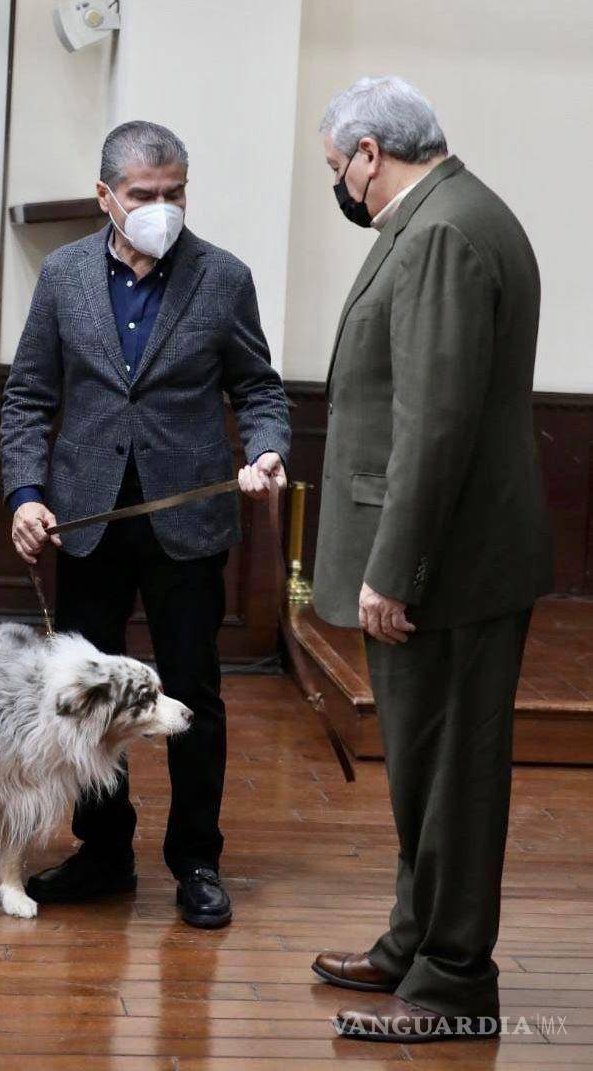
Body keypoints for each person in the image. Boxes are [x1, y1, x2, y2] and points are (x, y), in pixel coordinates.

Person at [308, 76, 553, 1041]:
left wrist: (392, 568)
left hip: (446, 569)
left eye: (339, 169)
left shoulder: (444, 230)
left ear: (372, 153)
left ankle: (453, 978)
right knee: (422, 767)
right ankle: (414, 940)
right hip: (448, 559)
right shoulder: (448, 215)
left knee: (452, 773)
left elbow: (435, 421)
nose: (342, 186)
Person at [1, 120, 291, 928]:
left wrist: (267, 452)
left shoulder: (223, 278)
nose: (162, 209)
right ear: (106, 198)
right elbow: (27, 397)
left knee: (192, 690)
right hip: (85, 521)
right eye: (143, 196)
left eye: (174, 194)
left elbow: (261, 391)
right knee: (93, 696)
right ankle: (103, 851)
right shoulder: (62, 276)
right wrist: (25, 493)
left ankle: (197, 858)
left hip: (188, 523)